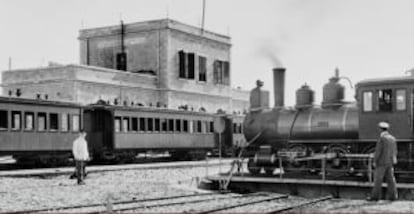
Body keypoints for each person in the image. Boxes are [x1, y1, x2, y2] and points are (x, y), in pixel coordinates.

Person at [367, 122, 398, 201]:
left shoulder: (382, 139)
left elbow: (378, 151)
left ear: (380, 129)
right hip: (390, 162)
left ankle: (375, 197)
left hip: (381, 163)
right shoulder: (392, 138)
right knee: (391, 180)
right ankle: (393, 196)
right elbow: (394, 151)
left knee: (378, 180)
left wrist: (374, 161)